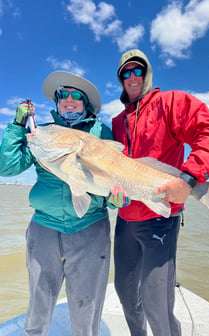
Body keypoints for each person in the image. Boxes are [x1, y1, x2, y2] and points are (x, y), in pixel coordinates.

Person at [0, 71, 126, 336]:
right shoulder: (43, 133)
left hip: (90, 228)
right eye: (63, 95)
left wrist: (117, 199)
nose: (69, 100)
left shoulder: (101, 133)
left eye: (76, 95)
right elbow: (8, 167)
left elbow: (116, 182)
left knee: (86, 305)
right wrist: (17, 125)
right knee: (39, 301)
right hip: (43, 227)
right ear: (57, 102)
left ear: (85, 103)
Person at [111, 49, 209, 336]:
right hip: (125, 222)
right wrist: (113, 194)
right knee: (125, 296)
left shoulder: (171, 103)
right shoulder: (116, 123)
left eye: (138, 70)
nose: (132, 77)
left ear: (147, 73)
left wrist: (187, 179)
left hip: (161, 219)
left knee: (157, 305)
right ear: (121, 80)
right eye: (126, 72)